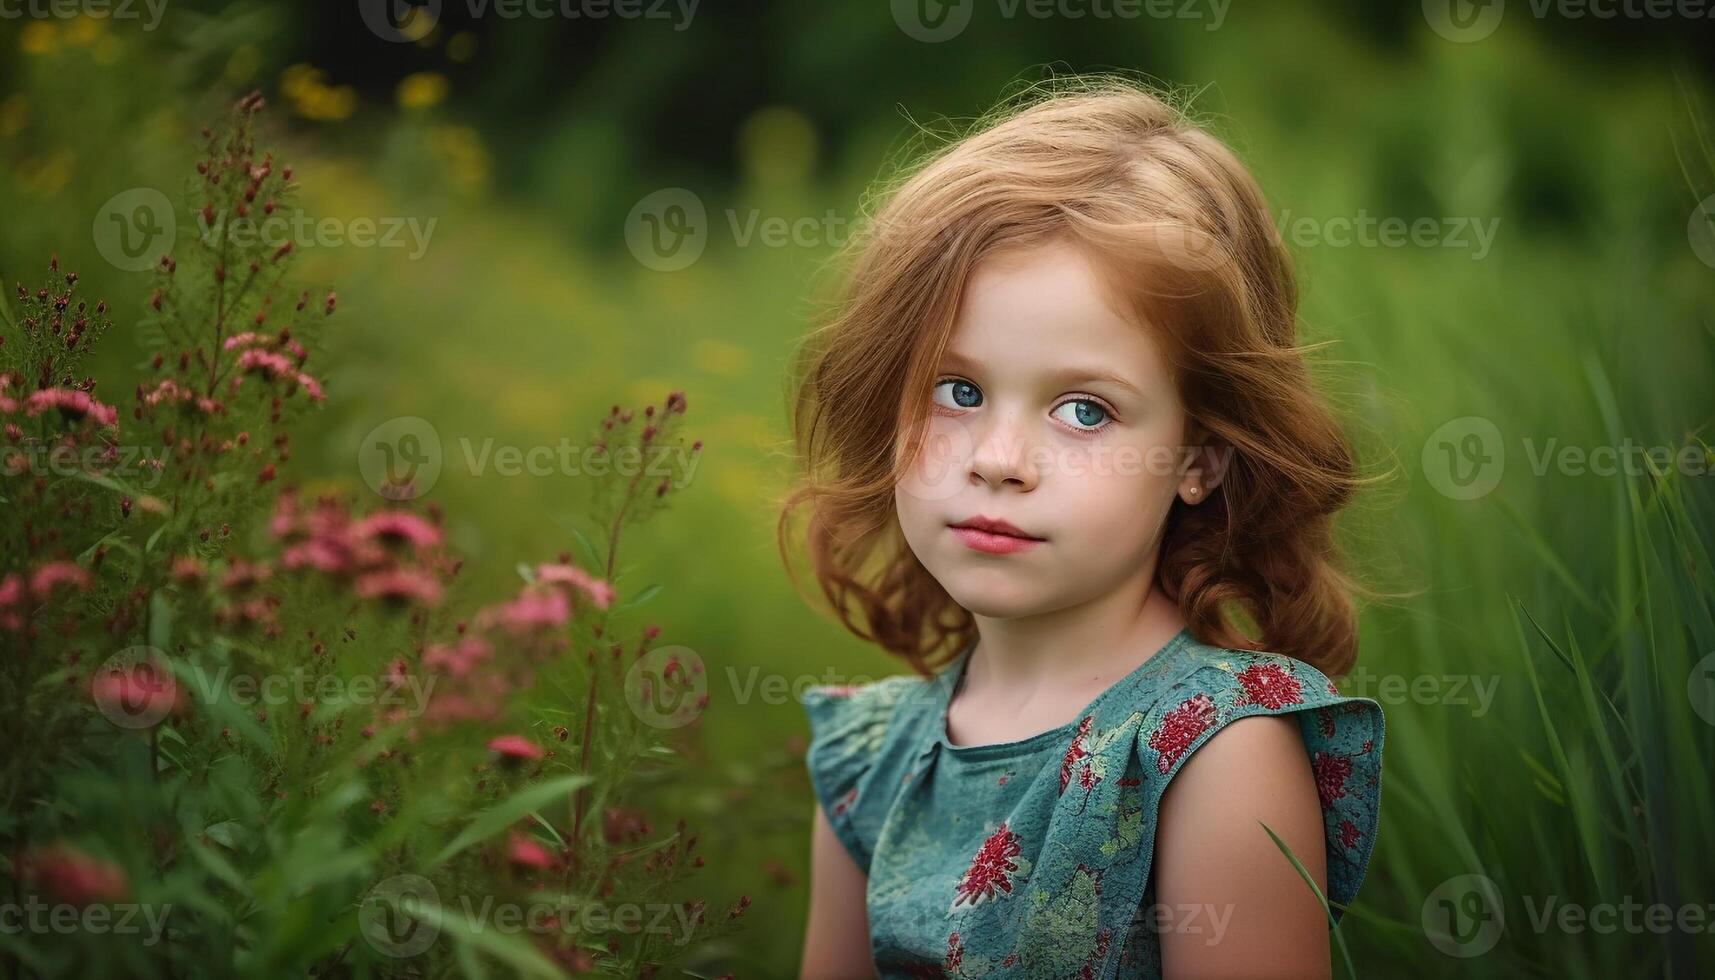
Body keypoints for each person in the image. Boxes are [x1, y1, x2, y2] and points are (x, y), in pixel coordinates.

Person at [778, 77, 1385, 979]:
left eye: (1084, 411)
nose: (999, 458)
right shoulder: (872, 761)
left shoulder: (1216, 751)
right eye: (959, 392)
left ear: (1199, 459)